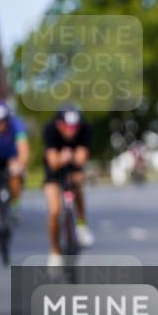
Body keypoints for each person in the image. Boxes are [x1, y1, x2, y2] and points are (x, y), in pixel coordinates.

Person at [42, 104, 94, 265]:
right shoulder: (50, 130)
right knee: (54, 211)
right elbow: (52, 162)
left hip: (73, 168)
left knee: (78, 183)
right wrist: (61, 158)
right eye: (67, 127)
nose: (71, 131)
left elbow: (82, 157)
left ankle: (81, 224)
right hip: (54, 172)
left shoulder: (85, 128)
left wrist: (74, 159)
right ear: (59, 124)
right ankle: (54, 250)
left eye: (74, 127)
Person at [0, 100, 30, 236]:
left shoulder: (17, 125)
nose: (0, 124)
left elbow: (23, 149)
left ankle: (15, 205)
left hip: (10, 158)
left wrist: (20, 164)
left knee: (15, 174)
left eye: (3, 120)